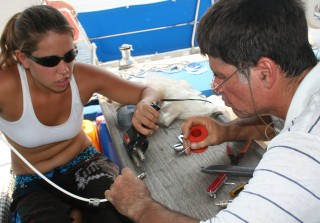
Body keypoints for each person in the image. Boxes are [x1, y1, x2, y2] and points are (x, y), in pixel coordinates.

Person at [104, 0, 320, 222]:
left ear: (265, 72)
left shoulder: (304, 148)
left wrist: (140, 207)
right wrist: (226, 131)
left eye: (221, 76)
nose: (215, 87)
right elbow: (277, 121)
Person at [0, 5, 162, 223]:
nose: (64, 69)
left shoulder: (83, 77)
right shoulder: (6, 86)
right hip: (32, 180)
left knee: (121, 216)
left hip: (84, 164)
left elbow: (149, 90)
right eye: (50, 61)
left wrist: (145, 105)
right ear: (23, 58)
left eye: (70, 55)